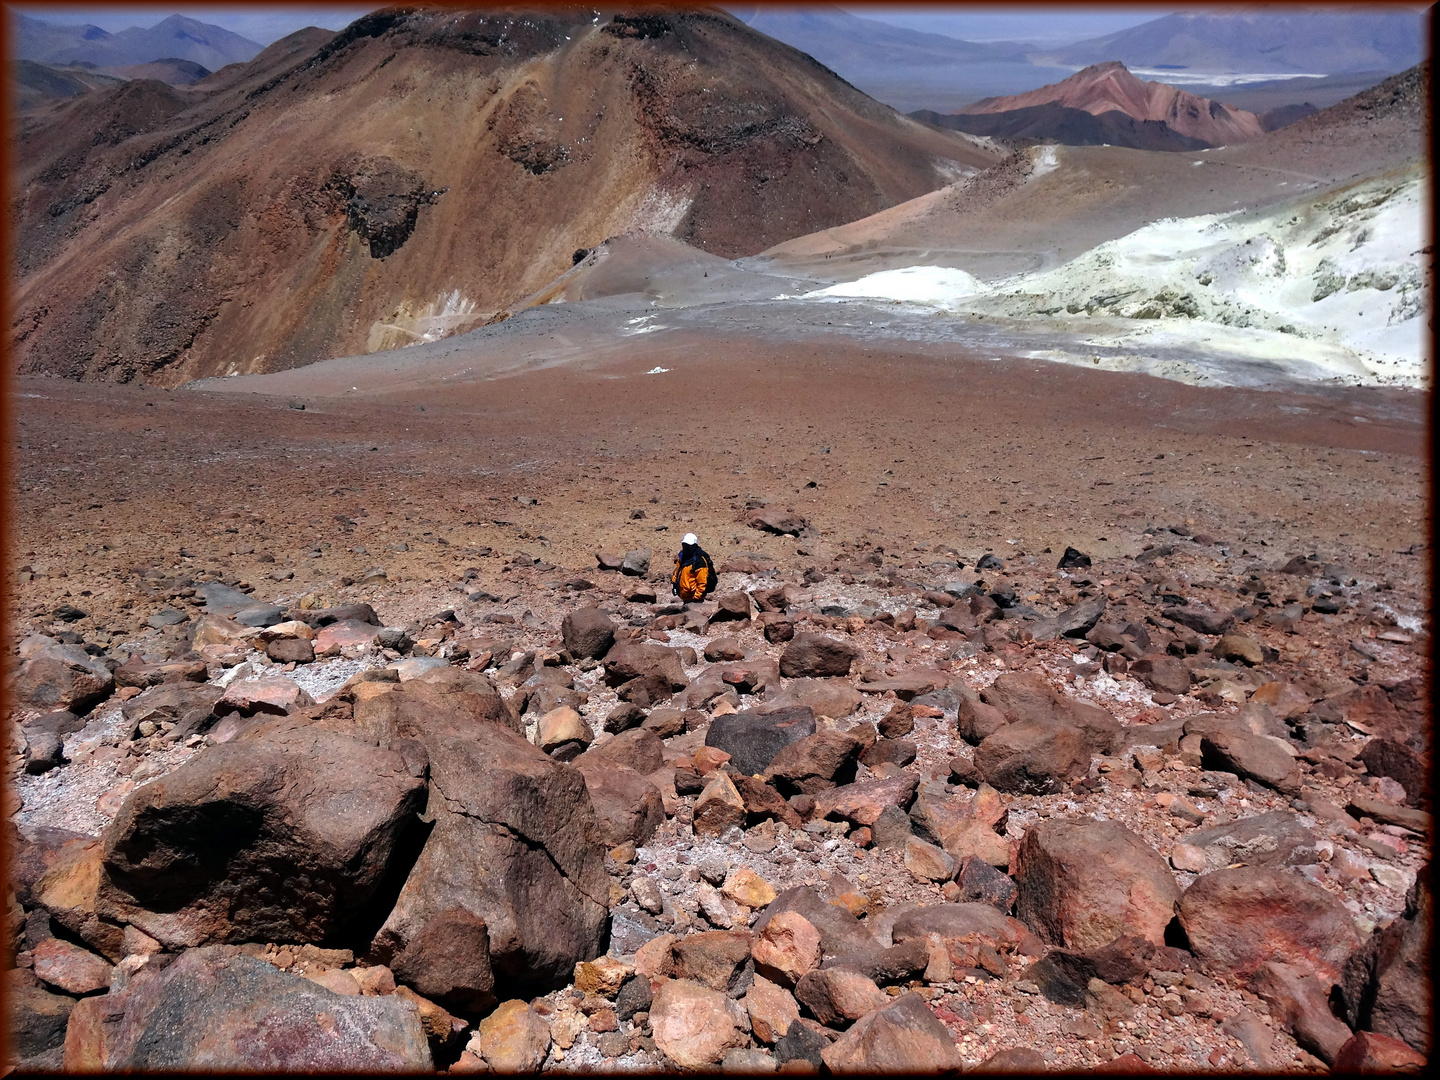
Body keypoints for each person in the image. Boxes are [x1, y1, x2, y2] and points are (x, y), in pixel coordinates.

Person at [671, 533, 716, 603]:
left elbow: (702, 582)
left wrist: (697, 598)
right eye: (684, 545)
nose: (686, 548)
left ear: (694, 546)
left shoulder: (699, 561)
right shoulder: (682, 557)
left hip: (694, 599)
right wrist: (674, 584)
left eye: (689, 546)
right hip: (685, 597)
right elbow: (677, 571)